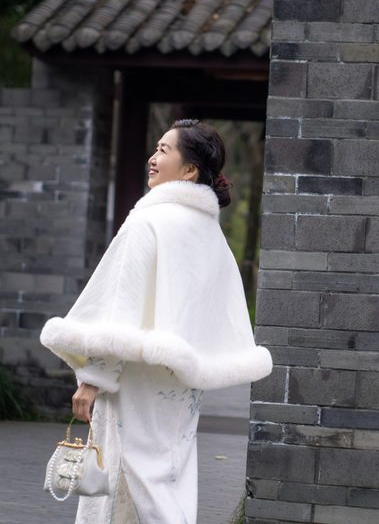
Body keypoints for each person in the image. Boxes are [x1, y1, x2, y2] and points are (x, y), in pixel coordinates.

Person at [40, 119, 273, 523]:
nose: (152, 157)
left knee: (125, 474)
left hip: (134, 377)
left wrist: (94, 377)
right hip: (179, 385)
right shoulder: (209, 233)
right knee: (166, 477)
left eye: (164, 150)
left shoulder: (149, 221)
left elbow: (122, 307)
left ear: (189, 170)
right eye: (156, 147)